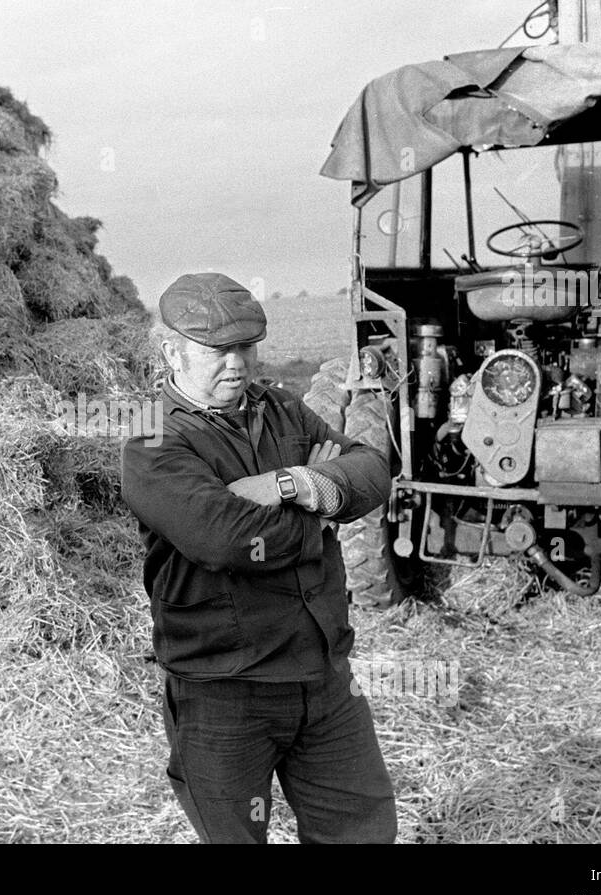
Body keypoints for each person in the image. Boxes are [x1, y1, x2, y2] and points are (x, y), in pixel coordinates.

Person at [120, 272, 397, 844]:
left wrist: (292, 482)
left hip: (325, 682)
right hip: (225, 693)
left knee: (363, 836)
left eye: (246, 346)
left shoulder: (283, 410)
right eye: (218, 350)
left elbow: (372, 472)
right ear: (172, 352)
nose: (237, 363)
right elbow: (223, 538)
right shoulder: (152, 441)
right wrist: (322, 508)